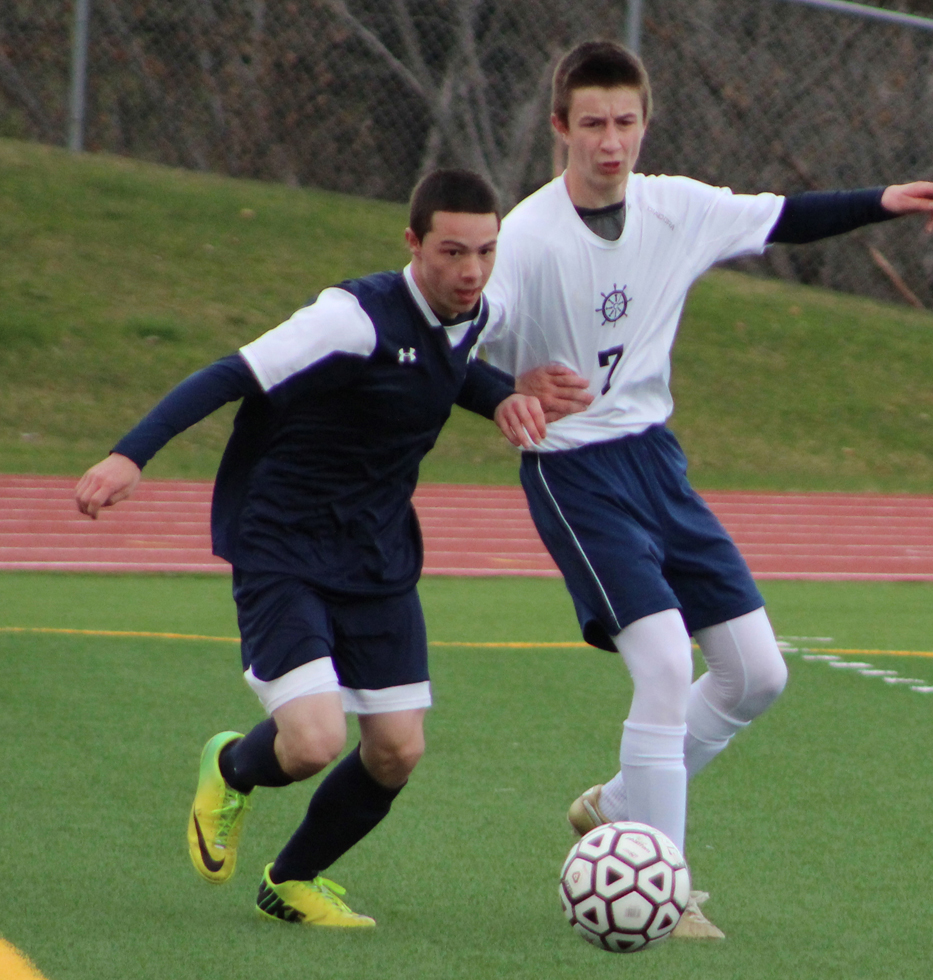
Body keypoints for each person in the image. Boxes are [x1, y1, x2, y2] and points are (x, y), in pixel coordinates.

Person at [481, 40, 933, 938]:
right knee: (664, 667)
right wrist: (504, 392)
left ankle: (618, 802)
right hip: (574, 473)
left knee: (757, 675)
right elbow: (457, 343)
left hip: (657, 462)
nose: (611, 142)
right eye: (592, 124)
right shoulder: (527, 241)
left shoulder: (677, 208)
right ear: (560, 129)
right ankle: (667, 886)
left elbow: (783, 217)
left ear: (644, 124)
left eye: (626, 122)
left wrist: (886, 201)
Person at [74, 169, 577, 928]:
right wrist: (130, 454)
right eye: (451, 251)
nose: (470, 270)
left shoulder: (476, 308)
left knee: (397, 751)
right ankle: (230, 766)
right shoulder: (349, 317)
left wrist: (501, 393)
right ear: (412, 244)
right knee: (312, 742)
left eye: (484, 251)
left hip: (376, 550)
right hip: (283, 539)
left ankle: (292, 880)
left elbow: (446, 364)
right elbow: (229, 374)